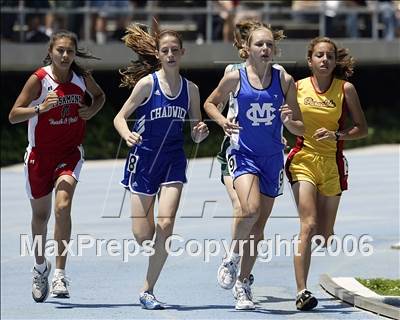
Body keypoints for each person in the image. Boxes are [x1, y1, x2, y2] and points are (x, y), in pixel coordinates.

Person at [204, 21, 304, 310]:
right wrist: (223, 121)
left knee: (258, 228)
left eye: (269, 45)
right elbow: (211, 103)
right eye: (259, 44)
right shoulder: (235, 76)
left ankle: (244, 283)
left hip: (272, 157)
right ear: (247, 49)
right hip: (243, 152)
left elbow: (299, 128)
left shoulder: (284, 80)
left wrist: (289, 121)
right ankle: (232, 258)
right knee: (249, 209)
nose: (265, 49)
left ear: (275, 50)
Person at [113, 24, 209, 310]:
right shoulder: (147, 85)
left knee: (165, 225)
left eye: (174, 51)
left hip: (172, 160)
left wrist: (199, 133)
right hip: (143, 161)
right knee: (144, 236)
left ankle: (148, 289)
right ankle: (150, 246)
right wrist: (126, 134)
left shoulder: (191, 90)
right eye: (164, 51)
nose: (170, 55)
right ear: (158, 54)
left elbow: (194, 129)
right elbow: (120, 118)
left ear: (182, 53)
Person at [8, 30, 105, 302]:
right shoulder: (39, 80)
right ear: (51, 50)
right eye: (60, 50)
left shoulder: (82, 78)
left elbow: (100, 97)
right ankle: (40, 268)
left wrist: (92, 109)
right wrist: (40, 109)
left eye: (70, 51)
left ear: (75, 54)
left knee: (63, 206)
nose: (65, 55)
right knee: (40, 218)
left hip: (69, 154)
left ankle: (60, 273)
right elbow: (14, 115)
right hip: (39, 156)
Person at [285, 36, 368, 311]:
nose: (324, 60)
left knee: (323, 234)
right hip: (303, 159)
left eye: (329, 56)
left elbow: (362, 128)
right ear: (310, 60)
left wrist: (337, 134)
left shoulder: (346, 89)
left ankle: (326, 231)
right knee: (307, 226)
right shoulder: (297, 88)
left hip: (332, 163)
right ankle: (302, 291)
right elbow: (291, 122)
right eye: (319, 55)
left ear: (335, 61)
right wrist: (284, 125)